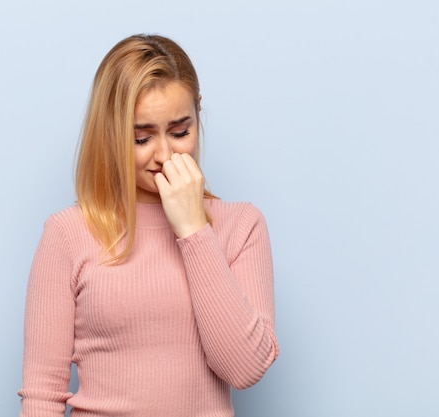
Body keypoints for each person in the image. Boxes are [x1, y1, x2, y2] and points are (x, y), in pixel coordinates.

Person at [18, 34, 279, 417]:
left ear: (197, 117)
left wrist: (193, 229)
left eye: (180, 132)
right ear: (111, 133)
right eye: (141, 137)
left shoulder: (241, 226)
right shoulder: (68, 233)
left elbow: (245, 368)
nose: (164, 154)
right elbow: (42, 395)